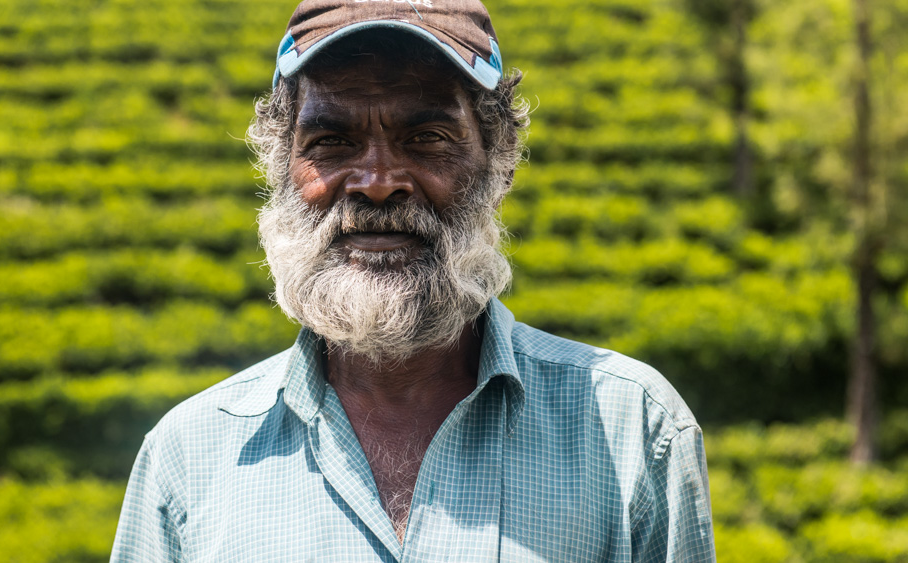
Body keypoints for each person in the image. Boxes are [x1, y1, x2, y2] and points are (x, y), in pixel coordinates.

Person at [110, 0, 716, 561]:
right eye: (332, 141)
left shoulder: (634, 431)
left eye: (426, 138)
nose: (377, 181)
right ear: (280, 167)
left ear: (500, 162)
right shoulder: (188, 460)